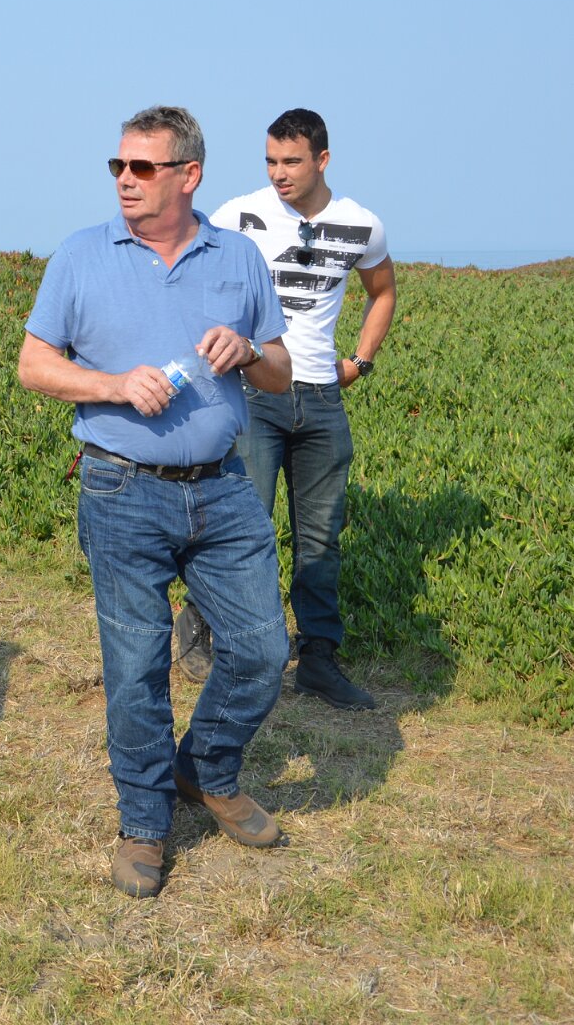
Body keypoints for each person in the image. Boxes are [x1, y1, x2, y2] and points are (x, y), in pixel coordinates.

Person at [16, 106, 294, 898]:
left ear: (188, 175)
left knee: (262, 650)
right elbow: (33, 366)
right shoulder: (80, 255)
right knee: (136, 668)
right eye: (118, 167)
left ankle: (203, 770)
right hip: (120, 490)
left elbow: (279, 373)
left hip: (224, 489)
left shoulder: (237, 258)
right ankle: (143, 825)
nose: (125, 181)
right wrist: (110, 386)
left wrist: (249, 350)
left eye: (142, 168)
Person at [180, 110, 397, 712]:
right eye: (271, 161)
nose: (279, 173)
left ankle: (319, 661)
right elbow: (187, 268)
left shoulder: (361, 225)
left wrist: (360, 362)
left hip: (323, 398)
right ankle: (202, 627)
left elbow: (383, 291)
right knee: (242, 524)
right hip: (256, 391)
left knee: (322, 537)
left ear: (322, 160)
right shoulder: (238, 215)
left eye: (292, 161)